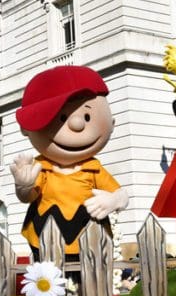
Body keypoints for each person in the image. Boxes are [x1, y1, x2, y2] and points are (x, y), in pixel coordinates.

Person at [10, 65, 128, 258]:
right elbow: (29, 197)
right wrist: (23, 186)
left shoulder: (94, 169)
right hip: (46, 242)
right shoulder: (42, 168)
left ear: (112, 124)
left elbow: (121, 194)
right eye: (62, 118)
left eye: (87, 116)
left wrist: (114, 200)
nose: (77, 124)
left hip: (89, 243)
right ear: (25, 128)